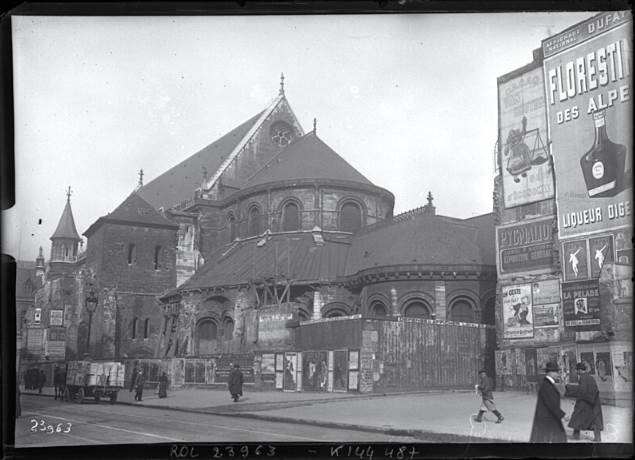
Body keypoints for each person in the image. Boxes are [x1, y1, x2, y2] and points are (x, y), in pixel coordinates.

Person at [565, 362, 604, 442]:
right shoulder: (590, 377)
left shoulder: (582, 378)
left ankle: (576, 436)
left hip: (585, 402)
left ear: (579, 370)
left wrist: (569, 388)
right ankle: (597, 438)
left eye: (576, 370)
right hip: (594, 402)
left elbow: (582, 390)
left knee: (577, 417)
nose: (576, 372)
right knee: (595, 420)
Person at [530, 362, 567, 443]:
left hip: (549, 419)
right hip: (547, 420)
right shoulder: (547, 386)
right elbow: (551, 404)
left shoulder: (547, 383)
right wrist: (562, 415)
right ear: (550, 373)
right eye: (556, 372)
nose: (558, 374)